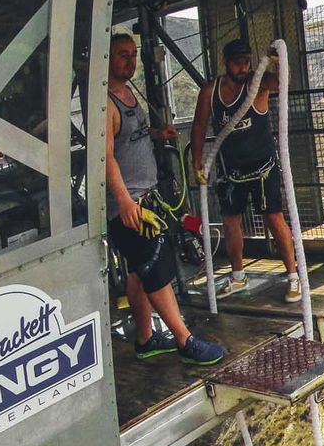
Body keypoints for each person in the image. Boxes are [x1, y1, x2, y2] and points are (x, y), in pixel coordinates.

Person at [105, 33, 225, 365]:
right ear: (107, 59)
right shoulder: (106, 104)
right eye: (122, 55)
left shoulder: (128, 95)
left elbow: (130, 138)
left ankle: (145, 338)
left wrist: (158, 134)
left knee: (138, 273)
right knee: (156, 271)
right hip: (130, 206)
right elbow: (106, 157)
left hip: (145, 198)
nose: (130, 61)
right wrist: (124, 201)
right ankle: (185, 340)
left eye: (133, 54)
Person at [191, 38, 302, 303]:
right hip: (231, 170)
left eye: (246, 62)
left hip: (263, 167)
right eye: (237, 63)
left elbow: (283, 83)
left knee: (274, 217)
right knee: (231, 221)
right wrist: (197, 161)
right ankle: (238, 276)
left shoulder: (258, 82)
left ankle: (293, 276)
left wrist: (277, 61)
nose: (243, 68)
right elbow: (199, 125)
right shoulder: (211, 91)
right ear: (225, 63)